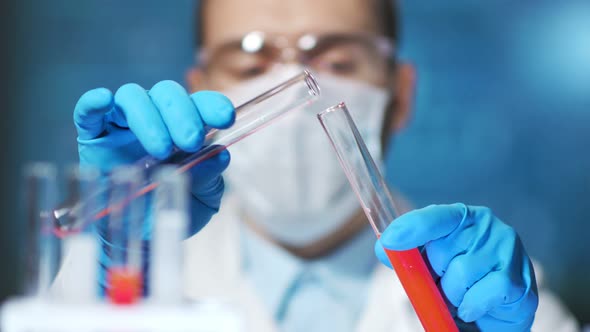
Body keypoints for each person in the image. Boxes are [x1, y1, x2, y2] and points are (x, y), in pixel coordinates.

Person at [57, 0, 580, 331]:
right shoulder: (112, 275)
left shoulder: (487, 296)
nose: (292, 82)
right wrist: (116, 273)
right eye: (249, 62)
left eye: (338, 60)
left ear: (401, 93)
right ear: (199, 91)